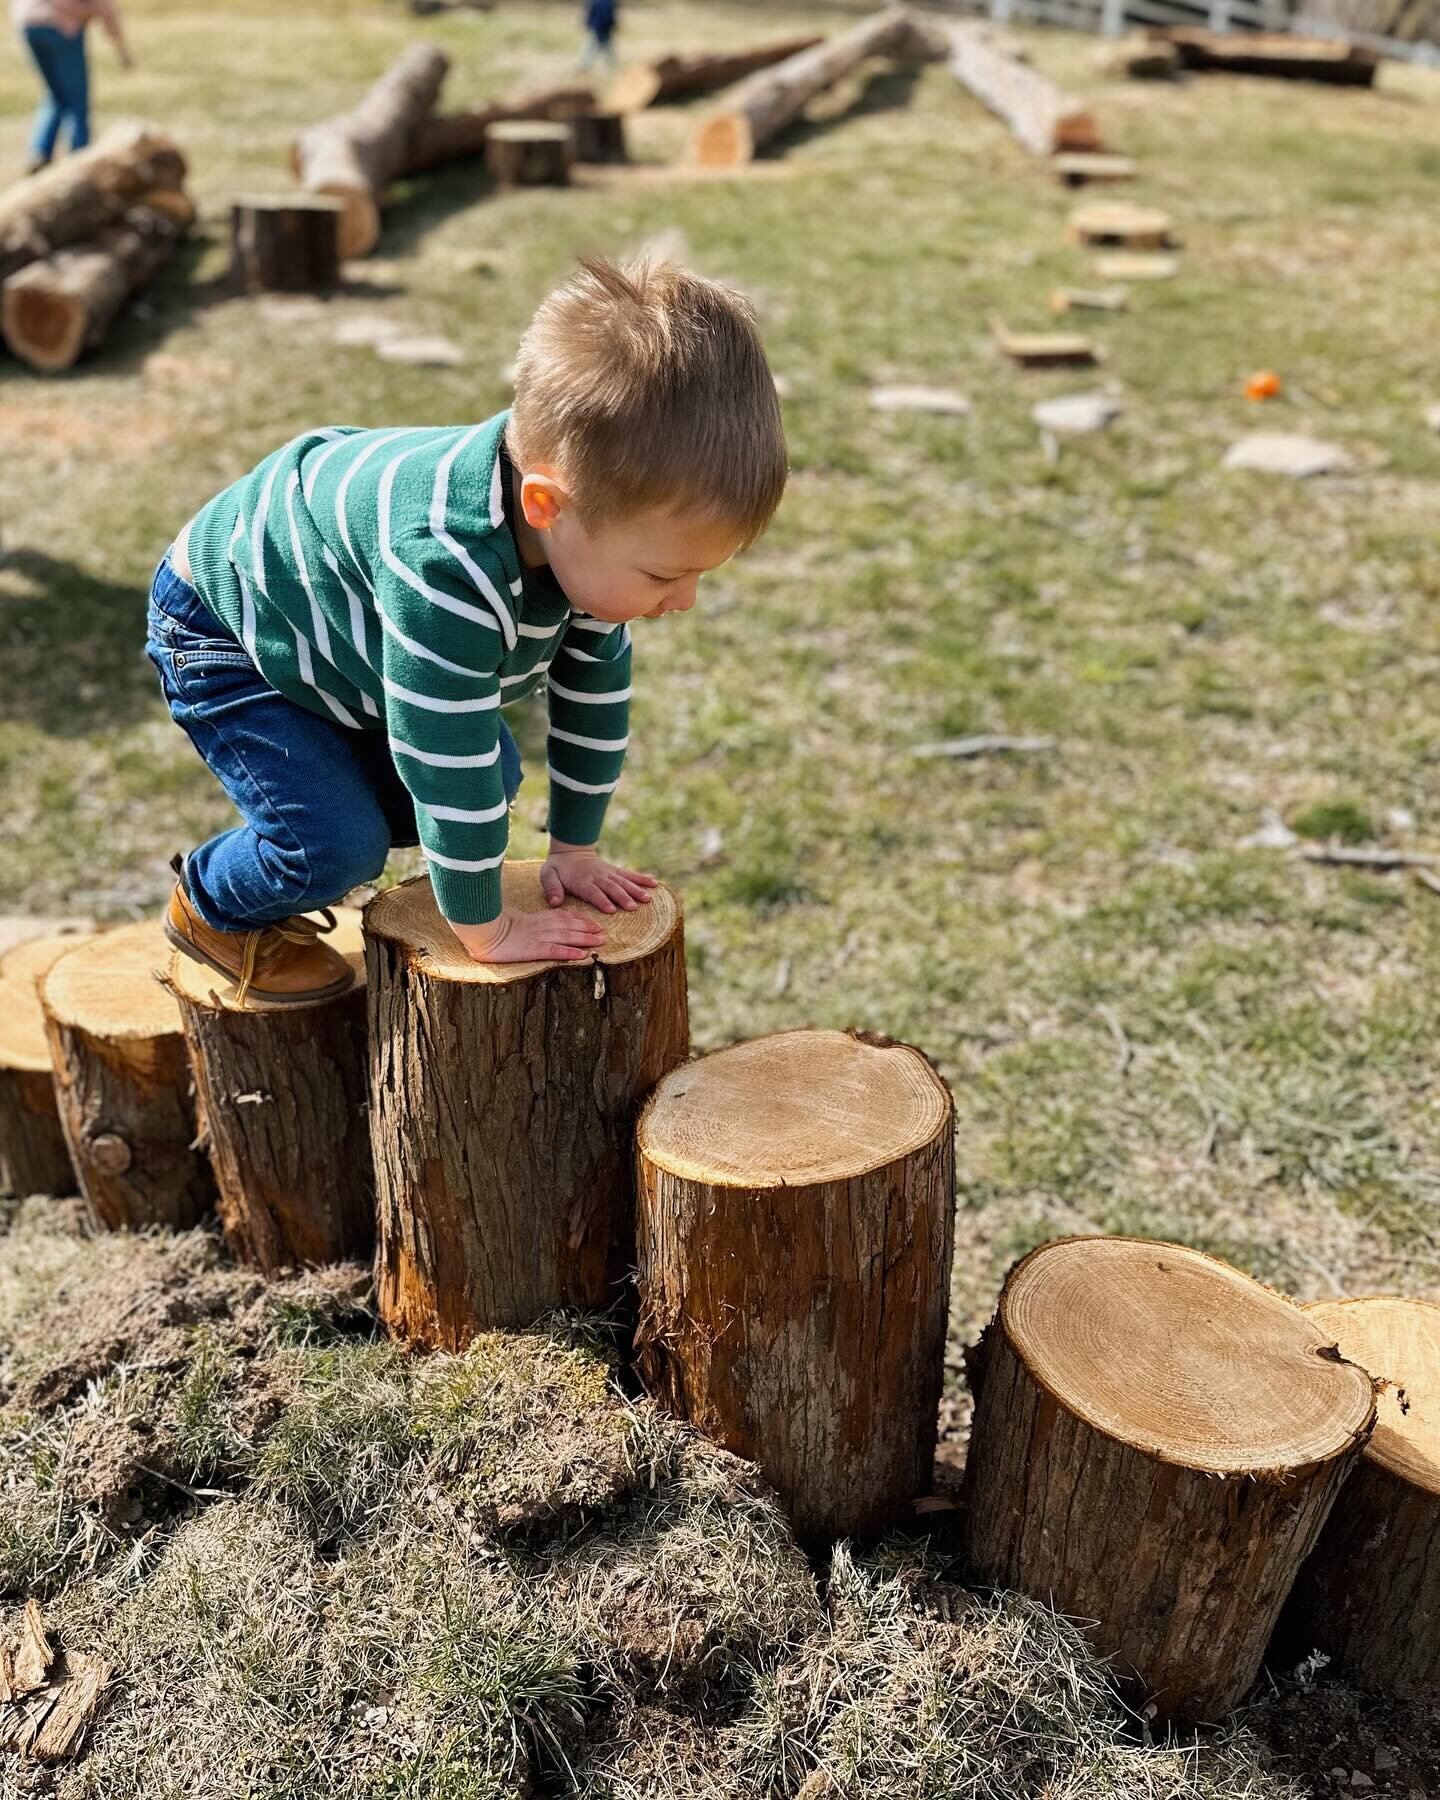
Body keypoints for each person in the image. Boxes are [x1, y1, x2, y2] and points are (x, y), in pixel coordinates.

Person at [148, 258, 788, 1004]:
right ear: (548, 504)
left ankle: (318, 821)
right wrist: (483, 926)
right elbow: (441, 747)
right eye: (663, 576)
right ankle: (213, 909)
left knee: (494, 780)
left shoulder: (584, 525)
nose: (686, 600)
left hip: (336, 616)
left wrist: (575, 849)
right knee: (334, 845)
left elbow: (594, 697)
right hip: (230, 621)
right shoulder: (445, 568)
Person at [12, 0, 132, 175]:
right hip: (61, 25)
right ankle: (80, 162)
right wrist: (122, 51)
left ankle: (40, 153)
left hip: (27, 22)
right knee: (77, 101)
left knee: (55, 95)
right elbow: (104, 6)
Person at [579, 0, 617, 72]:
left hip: (598, 27)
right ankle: (611, 66)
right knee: (604, 47)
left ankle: (584, 65)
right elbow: (611, 15)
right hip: (603, 27)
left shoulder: (596, 1)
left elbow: (590, 13)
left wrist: (587, 24)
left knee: (592, 47)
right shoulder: (609, 2)